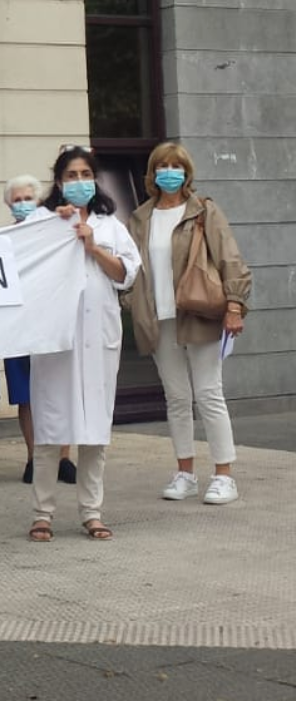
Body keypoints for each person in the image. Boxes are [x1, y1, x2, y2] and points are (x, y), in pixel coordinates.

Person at [125, 141, 251, 505]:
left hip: (198, 313)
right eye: (161, 166)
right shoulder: (141, 217)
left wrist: (234, 305)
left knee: (209, 393)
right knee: (177, 397)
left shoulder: (203, 211)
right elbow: (133, 271)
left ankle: (224, 475)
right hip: (157, 318)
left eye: (175, 166)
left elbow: (231, 258)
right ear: (152, 173)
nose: (168, 172)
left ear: (186, 172)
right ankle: (185, 473)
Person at [26, 146, 140, 542]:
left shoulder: (111, 225)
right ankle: (43, 513)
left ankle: (92, 511)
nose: (78, 182)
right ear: (58, 182)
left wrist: (93, 247)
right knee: (51, 428)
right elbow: (21, 263)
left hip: (98, 336)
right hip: (56, 338)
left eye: (84, 174)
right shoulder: (42, 221)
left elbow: (127, 274)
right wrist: (53, 230)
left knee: (95, 430)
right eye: (70, 176)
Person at [0, 175, 76, 486]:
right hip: (18, 325)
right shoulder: (1, 239)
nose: (22, 204)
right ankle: (33, 458)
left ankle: (63, 457)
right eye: (16, 199)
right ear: (8, 204)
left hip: (54, 320)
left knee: (60, 390)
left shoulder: (55, 231)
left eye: (28, 198)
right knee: (26, 395)